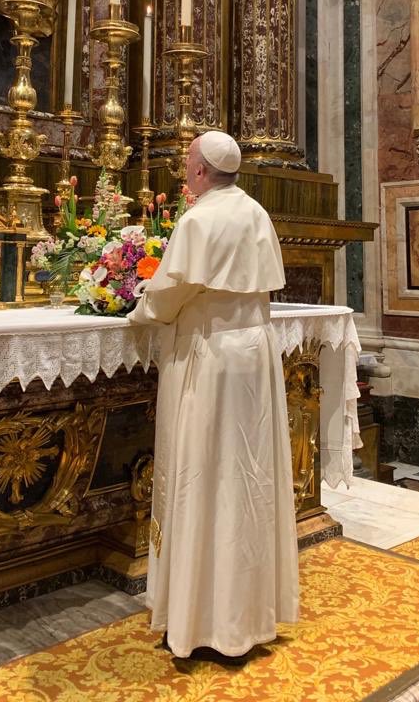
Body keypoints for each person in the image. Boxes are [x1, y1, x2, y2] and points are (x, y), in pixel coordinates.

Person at [128, 130, 299, 659]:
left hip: (211, 358)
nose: (185, 169)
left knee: (204, 476)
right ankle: (245, 615)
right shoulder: (256, 213)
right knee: (246, 477)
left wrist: (139, 307)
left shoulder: (198, 220)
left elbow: (170, 294)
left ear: (200, 171)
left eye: (187, 162)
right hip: (254, 355)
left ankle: (199, 621)